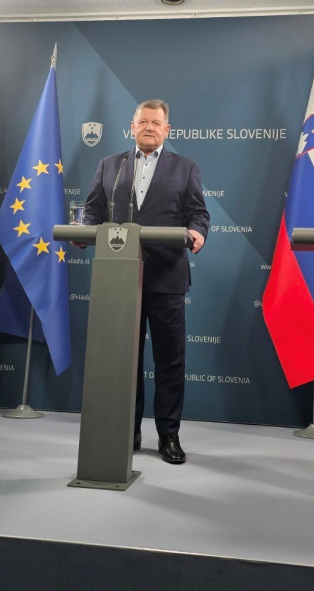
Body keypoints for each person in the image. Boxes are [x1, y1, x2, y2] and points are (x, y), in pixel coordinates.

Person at [82, 99, 209, 464]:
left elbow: (198, 213)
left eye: (156, 122)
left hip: (167, 276)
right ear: (132, 127)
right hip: (119, 277)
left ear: (167, 130)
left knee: (170, 361)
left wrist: (198, 232)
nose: (149, 127)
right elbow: (93, 208)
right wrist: (85, 230)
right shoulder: (111, 165)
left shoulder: (185, 168)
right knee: (125, 359)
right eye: (143, 122)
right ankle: (127, 430)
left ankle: (169, 435)